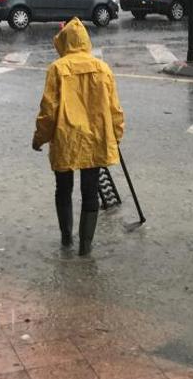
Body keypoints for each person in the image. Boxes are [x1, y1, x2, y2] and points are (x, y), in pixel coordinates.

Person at [32, 18, 125, 256]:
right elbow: (115, 109)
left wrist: (40, 138)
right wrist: (116, 135)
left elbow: (48, 110)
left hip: (66, 138)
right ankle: (86, 246)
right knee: (90, 191)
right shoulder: (103, 68)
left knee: (63, 189)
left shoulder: (58, 69)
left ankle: (66, 238)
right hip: (95, 138)